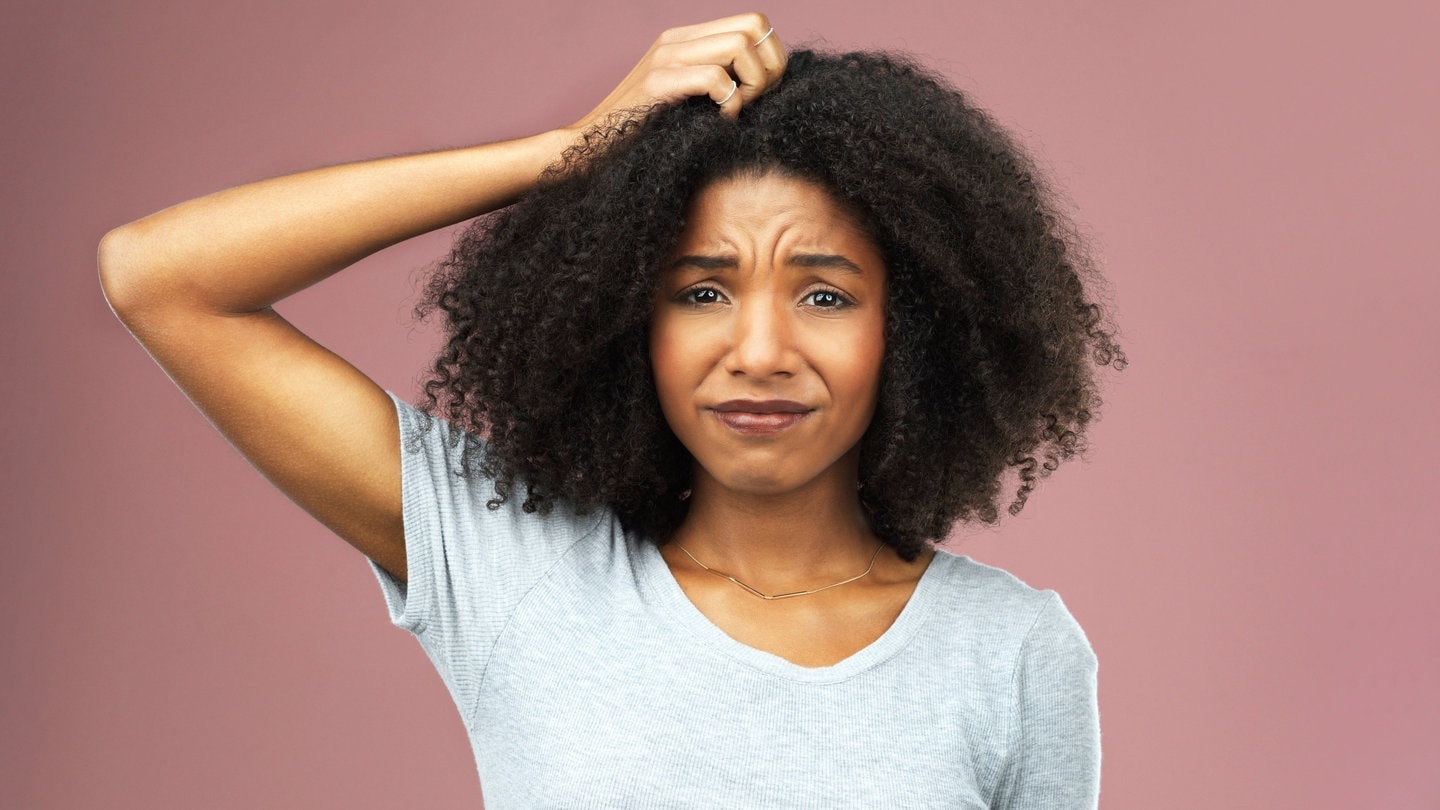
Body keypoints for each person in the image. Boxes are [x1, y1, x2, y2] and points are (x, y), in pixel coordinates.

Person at [99, 12, 1123, 808]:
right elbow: (161, 278)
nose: (759, 353)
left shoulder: (1013, 653)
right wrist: (573, 155)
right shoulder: (517, 565)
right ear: (626, 319)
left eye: (824, 294)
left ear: (917, 329)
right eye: (701, 290)